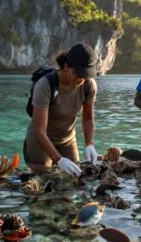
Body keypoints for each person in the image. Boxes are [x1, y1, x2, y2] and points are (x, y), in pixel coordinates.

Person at [24, 43, 99, 176]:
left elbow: (88, 118)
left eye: (85, 75)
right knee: (42, 179)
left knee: (75, 179)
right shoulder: (45, 85)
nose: (81, 79)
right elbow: (39, 131)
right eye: (77, 74)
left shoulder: (88, 85)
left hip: (67, 139)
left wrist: (89, 143)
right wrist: (59, 160)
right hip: (40, 140)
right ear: (66, 67)